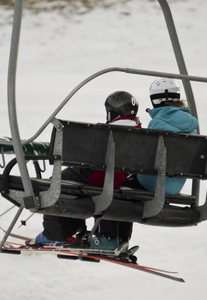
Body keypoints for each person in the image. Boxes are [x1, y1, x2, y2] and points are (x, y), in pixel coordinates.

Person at [34, 91, 141, 250]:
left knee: (58, 182)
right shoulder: (142, 133)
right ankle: (77, 232)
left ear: (112, 113)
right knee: (70, 182)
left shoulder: (106, 132)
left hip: (98, 178)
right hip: (121, 180)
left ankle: (56, 234)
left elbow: (86, 156)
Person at [136, 78, 198, 195]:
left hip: (151, 183)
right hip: (174, 187)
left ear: (154, 100)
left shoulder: (156, 123)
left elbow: (145, 156)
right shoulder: (192, 127)